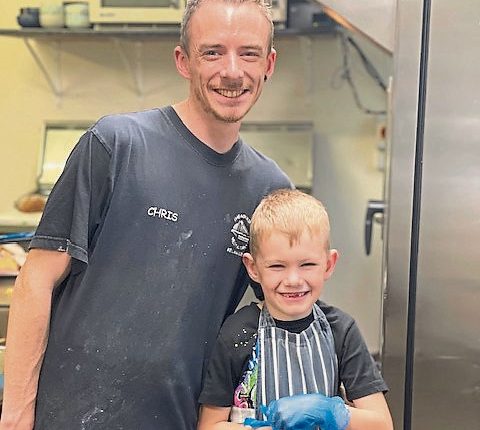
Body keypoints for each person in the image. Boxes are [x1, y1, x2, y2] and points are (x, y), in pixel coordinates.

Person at [0, 1, 292, 429]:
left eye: (249, 53)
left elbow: (286, 309)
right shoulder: (115, 145)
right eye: (212, 52)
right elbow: (36, 280)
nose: (232, 71)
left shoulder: (269, 188)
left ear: (269, 64)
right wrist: (15, 416)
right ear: (183, 61)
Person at [197, 189, 393, 430]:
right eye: (277, 266)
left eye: (307, 264)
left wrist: (330, 411)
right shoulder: (237, 333)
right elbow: (210, 425)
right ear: (253, 268)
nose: (293, 280)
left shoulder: (341, 331)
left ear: (328, 264)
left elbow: (382, 424)